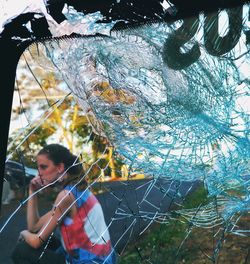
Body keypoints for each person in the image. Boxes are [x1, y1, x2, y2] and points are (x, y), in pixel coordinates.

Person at [12, 144, 116, 264]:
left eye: (43, 167)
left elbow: (36, 241)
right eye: (38, 168)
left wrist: (23, 233)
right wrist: (32, 191)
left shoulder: (66, 196)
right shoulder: (76, 189)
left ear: (60, 167)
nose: (39, 173)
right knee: (42, 240)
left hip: (91, 261)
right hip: (100, 257)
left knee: (21, 251)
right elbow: (34, 227)